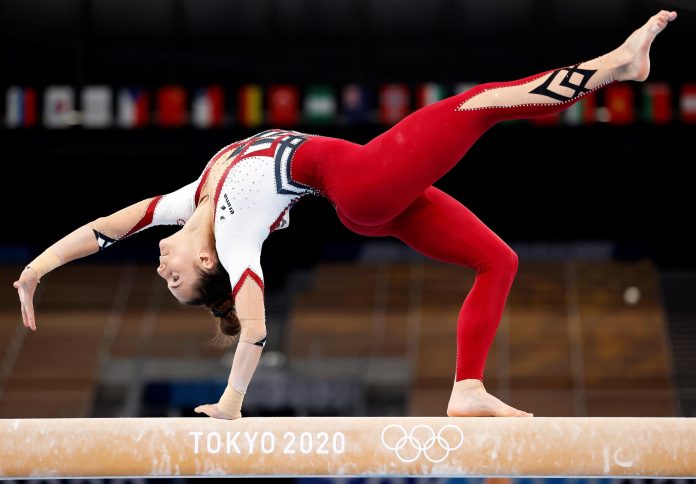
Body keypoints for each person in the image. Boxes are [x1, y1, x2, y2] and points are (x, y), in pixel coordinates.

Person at [13, 11, 678, 419]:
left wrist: (35, 271)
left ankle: (467, 387)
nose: (163, 272)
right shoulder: (236, 233)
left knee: (498, 261)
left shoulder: (185, 203)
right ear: (209, 261)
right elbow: (255, 330)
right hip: (362, 183)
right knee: (480, 103)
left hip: (368, 200)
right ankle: (616, 66)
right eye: (178, 282)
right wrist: (233, 402)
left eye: (168, 279)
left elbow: (99, 230)